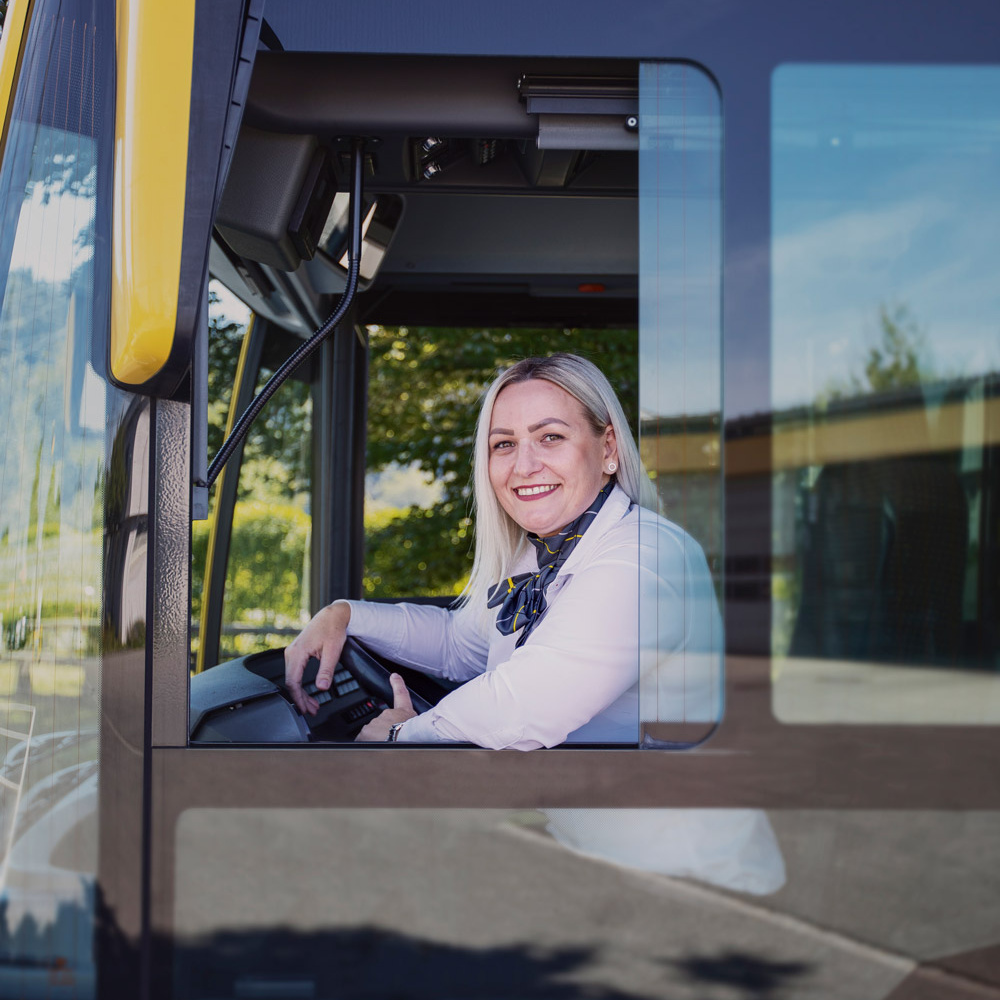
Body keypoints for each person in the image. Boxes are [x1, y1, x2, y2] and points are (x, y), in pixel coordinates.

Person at [284, 352, 722, 748]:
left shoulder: (647, 556)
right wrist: (344, 614)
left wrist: (400, 736)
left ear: (607, 447)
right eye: (504, 444)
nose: (523, 466)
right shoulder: (538, 554)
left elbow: (527, 706)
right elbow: (460, 645)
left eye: (550, 437)